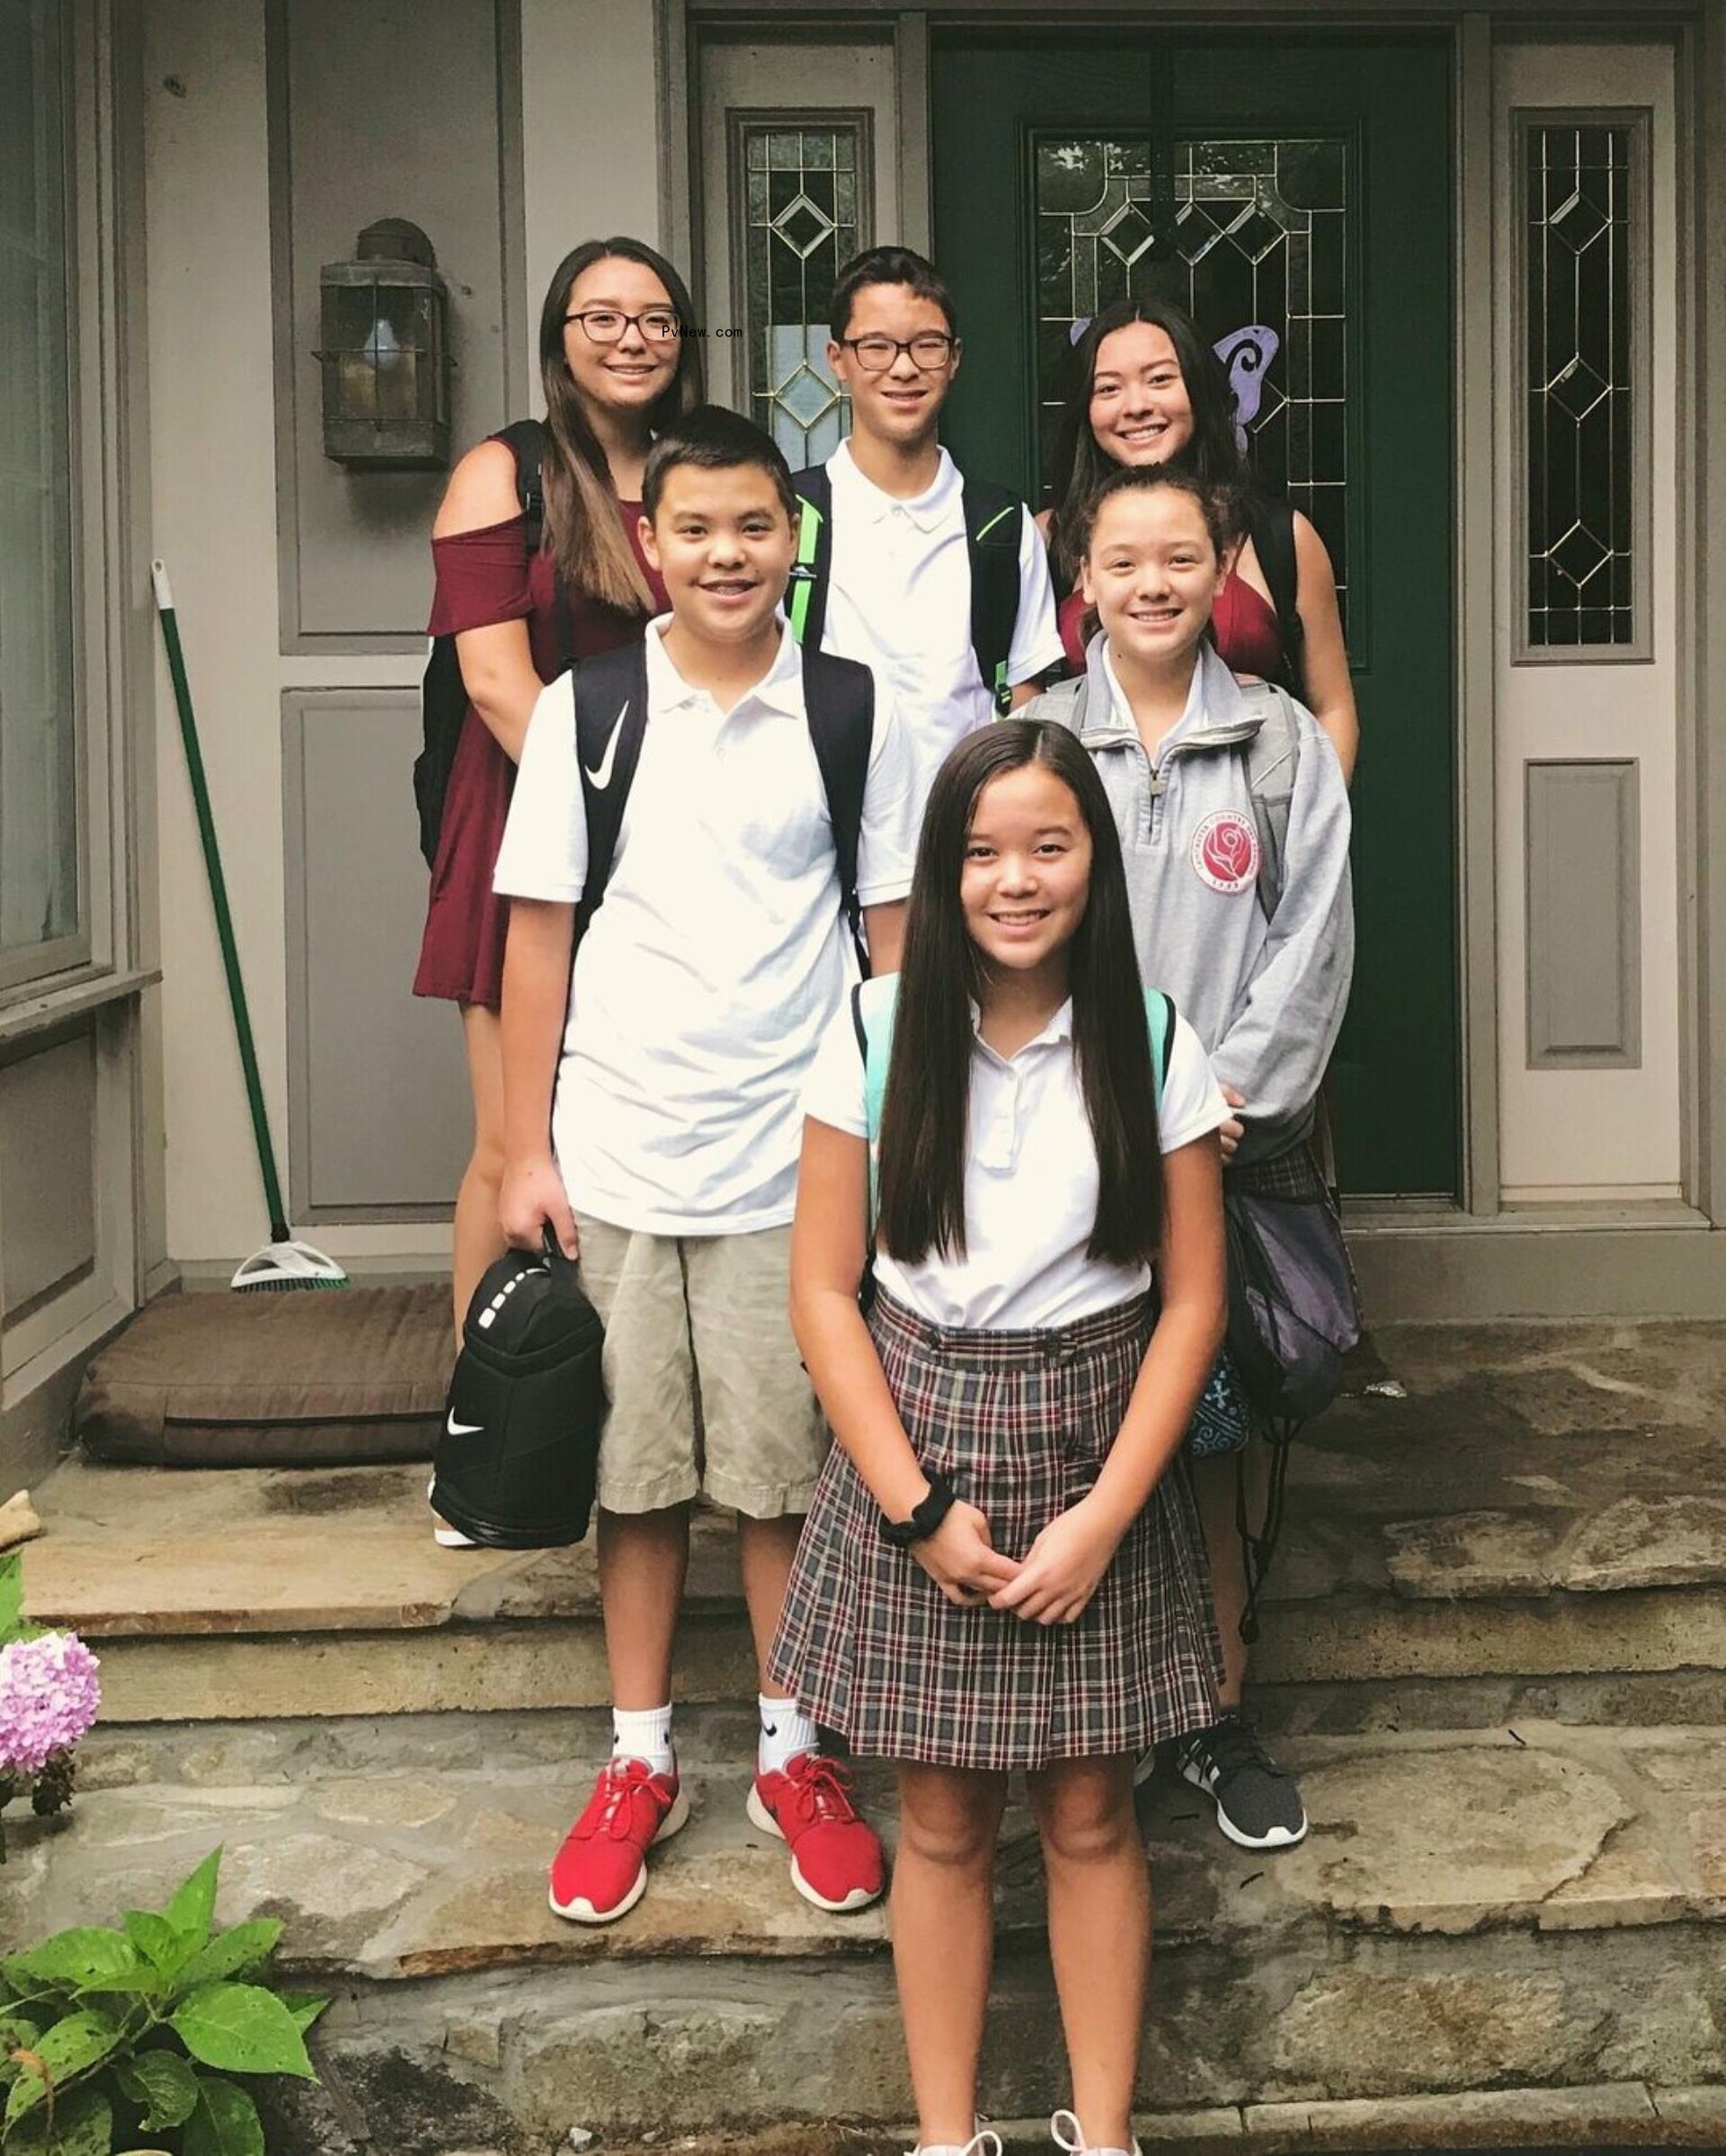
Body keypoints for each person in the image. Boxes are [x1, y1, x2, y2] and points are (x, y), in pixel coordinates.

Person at [770, 721, 1231, 2156]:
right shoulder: (873, 1024)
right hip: (923, 1436)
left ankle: (1103, 2135)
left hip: (1103, 1438)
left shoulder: (1153, 1038)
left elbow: (1195, 1299)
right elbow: (821, 1288)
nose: (1014, 880)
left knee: (1093, 1809)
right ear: (942, 866)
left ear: (1096, 856)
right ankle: (942, 2132)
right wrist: (916, 1507)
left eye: (1049, 844)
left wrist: (1104, 1515)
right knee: (945, 1816)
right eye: (980, 851)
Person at [492, 405, 920, 1927]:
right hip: (614, 1151)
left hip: (790, 1165)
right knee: (638, 1475)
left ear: (790, 541)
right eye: (696, 528)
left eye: (754, 525)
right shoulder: (586, 707)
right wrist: (521, 1147)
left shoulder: (852, 707)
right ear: (647, 544)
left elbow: (890, 942)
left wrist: (897, 1145)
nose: (726, 552)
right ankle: (639, 1753)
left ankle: (797, 1751)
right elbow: (537, 932)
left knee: (784, 1477)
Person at [1028, 461, 1354, 1854]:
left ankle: (1217, 1711)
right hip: (1063, 1155)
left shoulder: (1280, 745)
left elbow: (1314, 940)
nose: (1152, 583)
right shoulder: (1036, 736)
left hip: (1220, 1148)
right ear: (1080, 579)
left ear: (1225, 565)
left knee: (1209, 1445)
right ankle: (1085, 1719)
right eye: (1123, 560)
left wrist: (1216, 1096)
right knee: (1073, 1438)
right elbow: (1005, 920)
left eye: (1181, 557)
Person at [414, 236, 701, 1359]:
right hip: (531, 819)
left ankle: (613, 1410)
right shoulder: (507, 470)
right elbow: (494, 683)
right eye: (603, 317)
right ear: (559, 339)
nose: (632, 338)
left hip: (677, 835)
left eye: (656, 318)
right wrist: (622, 808)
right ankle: (481, 1422)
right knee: (510, 1141)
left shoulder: (703, 469)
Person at [789, 245, 1065, 812]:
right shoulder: (790, 516)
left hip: (965, 839)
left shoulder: (1000, 524)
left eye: (927, 345)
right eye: (877, 347)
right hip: (823, 838)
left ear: (955, 357)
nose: (904, 367)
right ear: (837, 358)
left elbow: (1026, 701)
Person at [1040, 296, 1358, 784]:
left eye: (1161, 379)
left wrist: (1306, 827)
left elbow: (1332, 706)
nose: (1137, 405)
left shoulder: (1279, 537)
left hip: (1247, 827)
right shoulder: (1048, 541)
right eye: (1109, 388)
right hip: (1094, 824)